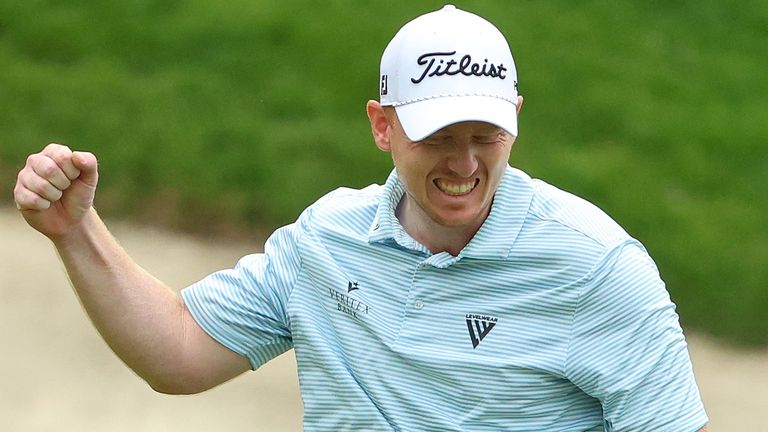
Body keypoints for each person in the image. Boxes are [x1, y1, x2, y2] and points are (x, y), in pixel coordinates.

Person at [13, 5, 708, 431]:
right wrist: (77, 231)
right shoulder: (327, 241)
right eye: (438, 136)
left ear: (515, 119)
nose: (465, 164)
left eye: (485, 135)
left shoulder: (596, 269)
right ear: (382, 125)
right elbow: (179, 352)